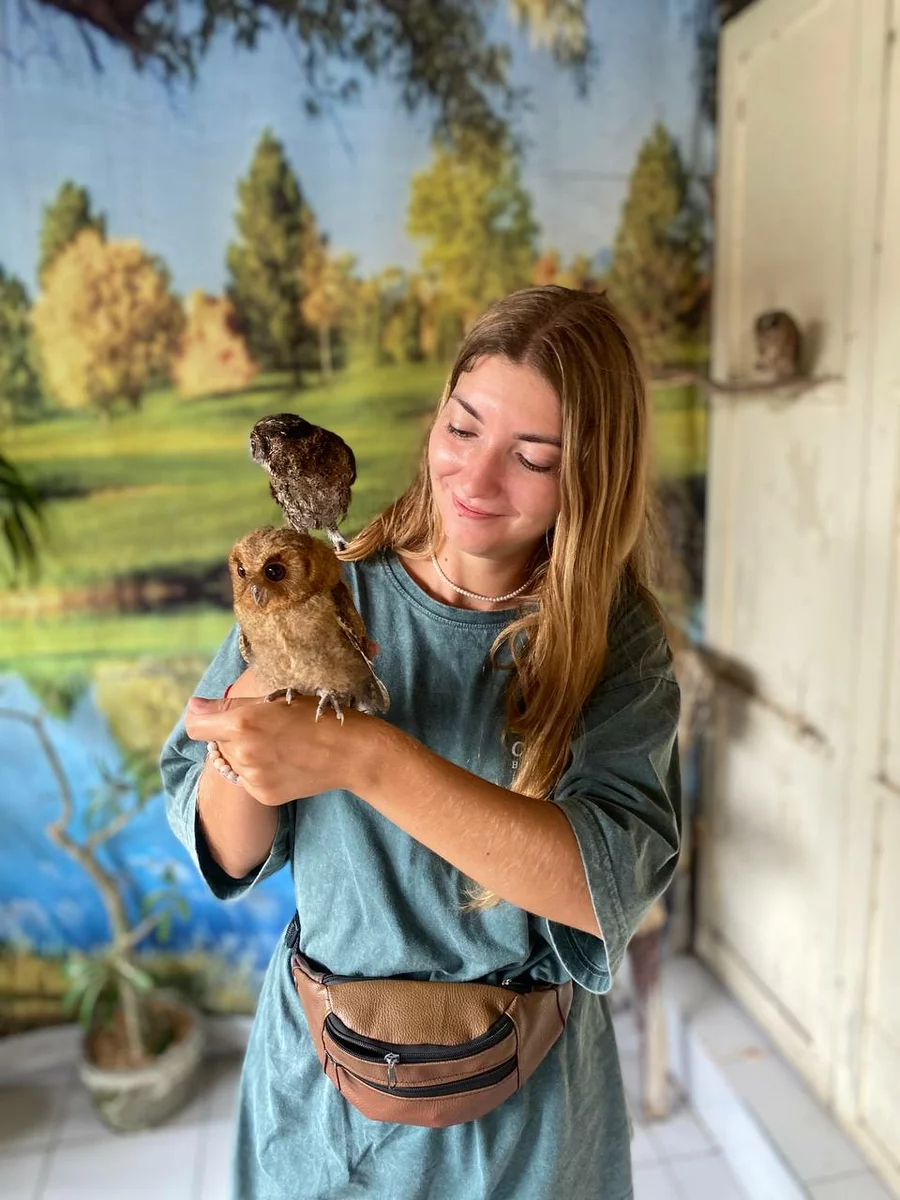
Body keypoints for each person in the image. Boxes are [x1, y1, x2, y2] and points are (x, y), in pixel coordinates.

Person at [160, 284, 681, 1200]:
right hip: (321, 1109)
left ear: (593, 478)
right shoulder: (327, 586)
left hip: (525, 1128)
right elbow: (228, 849)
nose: (476, 481)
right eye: (463, 428)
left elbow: (604, 887)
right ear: (436, 415)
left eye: (534, 457)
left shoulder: (615, 640)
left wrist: (365, 756)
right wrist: (255, 706)